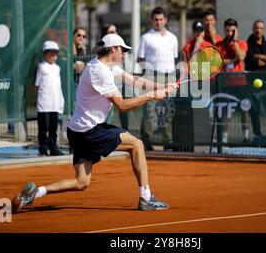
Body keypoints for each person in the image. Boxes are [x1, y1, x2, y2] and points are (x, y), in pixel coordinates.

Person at [12, 34, 177, 213]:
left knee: (81, 182)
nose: (124, 54)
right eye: (122, 50)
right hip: (90, 130)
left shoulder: (107, 66)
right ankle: (146, 197)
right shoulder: (100, 71)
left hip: (77, 130)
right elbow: (121, 105)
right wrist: (152, 96)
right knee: (137, 145)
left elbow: (136, 81)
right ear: (113, 49)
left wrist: (163, 86)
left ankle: (36, 192)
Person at [137, 7, 178, 148]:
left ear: (165, 20)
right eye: (156, 19)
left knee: (168, 111)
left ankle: (168, 141)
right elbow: (140, 59)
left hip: (169, 78)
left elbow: (175, 58)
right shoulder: (146, 37)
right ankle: (146, 141)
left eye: (161, 19)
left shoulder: (173, 38)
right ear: (151, 21)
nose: (158, 22)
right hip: (152, 77)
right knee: (150, 109)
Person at [215, 18, 250, 142]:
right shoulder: (218, 45)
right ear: (224, 30)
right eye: (227, 30)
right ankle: (224, 139)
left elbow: (241, 56)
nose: (229, 33)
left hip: (241, 83)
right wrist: (233, 60)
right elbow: (218, 62)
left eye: (232, 30)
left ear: (236, 30)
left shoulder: (242, 43)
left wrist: (235, 42)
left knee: (244, 110)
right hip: (225, 84)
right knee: (226, 112)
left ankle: (245, 137)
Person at [244, 20, 266, 138]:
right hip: (252, 82)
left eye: (260, 28)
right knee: (254, 110)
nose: (258, 30)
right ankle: (258, 135)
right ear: (253, 29)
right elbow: (254, 62)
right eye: (256, 28)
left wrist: (259, 56)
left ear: (264, 30)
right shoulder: (247, 45)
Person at [34, 41, 65, 156]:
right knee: (43, 128)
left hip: (55, 104)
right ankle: (43, 149)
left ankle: (53, 148)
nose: (54, 56)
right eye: (51, 53)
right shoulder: (41, 67)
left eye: (56, 53)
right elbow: (36, 85)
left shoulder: (57, 68)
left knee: (53, 128)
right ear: (45, 53)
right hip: (44, 104)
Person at [101, 23, 129, 131]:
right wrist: (150, 95)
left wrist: (160, 87)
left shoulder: (112, 65)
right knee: (108, 117)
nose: (116, 33)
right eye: (112, 32)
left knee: (120, 116)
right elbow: (121, 105)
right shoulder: (101, 66)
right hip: (109, 91)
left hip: (118, 86)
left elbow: (135, 80)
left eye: (116, 31)